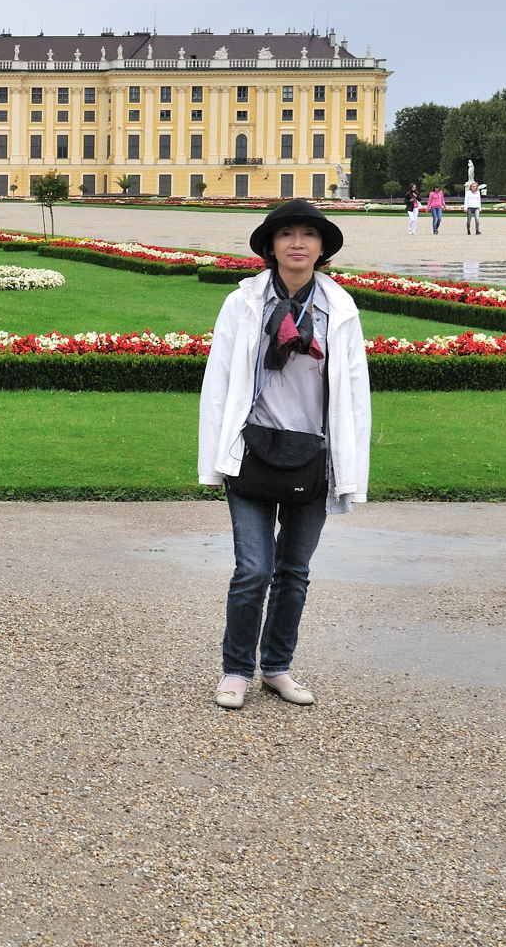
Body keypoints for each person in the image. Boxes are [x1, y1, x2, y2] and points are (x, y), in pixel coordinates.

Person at [198, 199, 372, 710]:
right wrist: (214, 459)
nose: (298, 243)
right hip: (252, 451)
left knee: (294, 572)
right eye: (287, 234)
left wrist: (350, 468)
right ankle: (236, 670)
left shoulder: (340, 310)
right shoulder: (243, 303)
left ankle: (276, 667)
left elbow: (354, 393)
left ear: (322, 249)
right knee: (254, 570)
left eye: (308, 235)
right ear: (271, 247)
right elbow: (218, 383)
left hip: (313, 457)